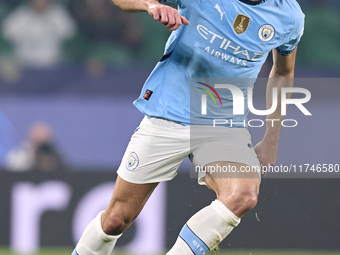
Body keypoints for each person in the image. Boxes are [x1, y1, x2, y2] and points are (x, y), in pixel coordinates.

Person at [72, 0, 304, 254]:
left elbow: (283, 72)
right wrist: (150, 6)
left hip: (223, 125)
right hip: (169, 112)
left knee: (243, 193)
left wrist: (272, 138)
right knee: (117, 219)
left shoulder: (289, 15)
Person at [2, 0, 76, 68]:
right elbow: (6, 36)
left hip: (53, 65)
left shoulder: (58, 14)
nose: (40, 2)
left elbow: (70, 35)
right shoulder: (20, 15)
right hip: (25, 65)